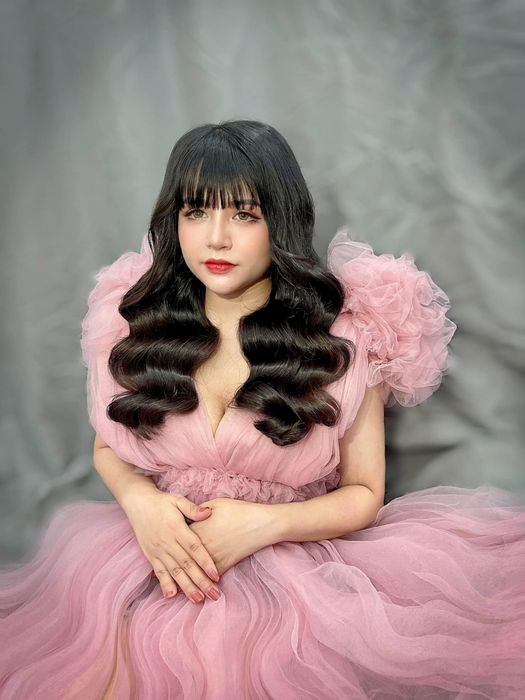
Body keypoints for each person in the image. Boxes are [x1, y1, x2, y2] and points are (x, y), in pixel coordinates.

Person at [1, 119, 524, 700]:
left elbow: (364, 493)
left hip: (292, 571)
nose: (215, 239)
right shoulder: (135, 322)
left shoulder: (346, 340)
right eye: (196, 212)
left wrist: (263, 524)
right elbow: (109, 446)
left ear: (281, 220)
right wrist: (140, 502)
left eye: (244, 215)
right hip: (156, 554)